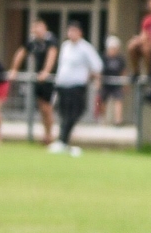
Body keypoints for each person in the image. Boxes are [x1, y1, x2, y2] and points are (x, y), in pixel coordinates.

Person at [51, 21, 102, 155]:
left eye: (74, 31)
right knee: (63, 114)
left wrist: (91, 77)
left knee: (74, 113)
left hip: (76, 86)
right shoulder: (65, 46)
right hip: (63, 85)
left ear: (80, 33)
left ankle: (63, 140)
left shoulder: (85, 48)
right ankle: (62, 141)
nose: (71, 34)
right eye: (70, 31)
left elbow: (97, 65)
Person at [12, 17, 59, 143]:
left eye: (39, 27)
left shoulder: (50, 40)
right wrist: (14, 69)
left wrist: (46, 72)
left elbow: (52, 55)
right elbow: (21, 52)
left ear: (44, 28)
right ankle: (46, 134)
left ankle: (50, 135)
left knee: (47, 108)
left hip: (51, 79)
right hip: (39, 78)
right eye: (34, 28)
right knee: (42, 107)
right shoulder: (32, 41)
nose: (36, 30)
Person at [98, 35, 127, 125]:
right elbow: (99, 70)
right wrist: (99, 81)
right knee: (102, 101)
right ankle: (102, 119)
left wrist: (124, 84)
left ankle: (118, 120)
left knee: (118, 100)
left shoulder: (120, 59)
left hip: (117, 83)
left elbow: (123, 71)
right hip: (105, 83)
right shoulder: (103, 58)